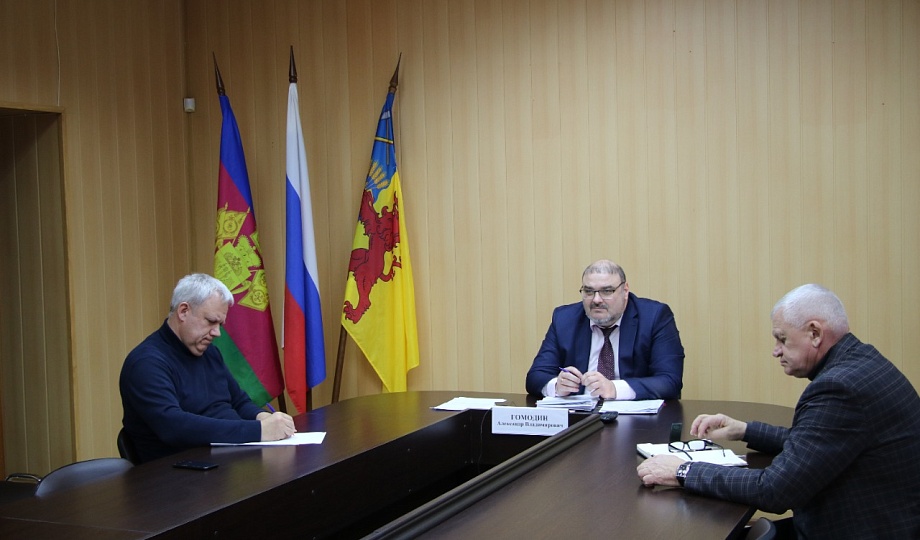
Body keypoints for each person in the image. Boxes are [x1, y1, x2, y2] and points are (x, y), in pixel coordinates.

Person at [636, 284, 920, 539]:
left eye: (782, 339)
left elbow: (775, 489)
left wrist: (683, 471)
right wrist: (745, 431)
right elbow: (817, 444)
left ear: (815, 333)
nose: (776, 351)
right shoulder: (862, 362)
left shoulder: (839, 387)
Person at [120, 273, 295, 464]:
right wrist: (258, 431)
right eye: (211, 321)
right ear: (183, 311)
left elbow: (238, 402)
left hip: (227, 460)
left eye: (220, 324)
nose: (217, 333)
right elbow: (173, 427)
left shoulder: (209, 352)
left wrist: (264, 418)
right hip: (178, 471)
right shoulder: (146, 363)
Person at [525, 260, 684, 400]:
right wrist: (557, 386)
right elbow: (535, 376)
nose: (596, 300)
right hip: (579, 417)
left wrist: (614, 389)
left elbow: (670, 381)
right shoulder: (565, 319)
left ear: (625, 291)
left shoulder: (654, 317)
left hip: (636, 419)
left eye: (607, 291)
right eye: (589, 291)